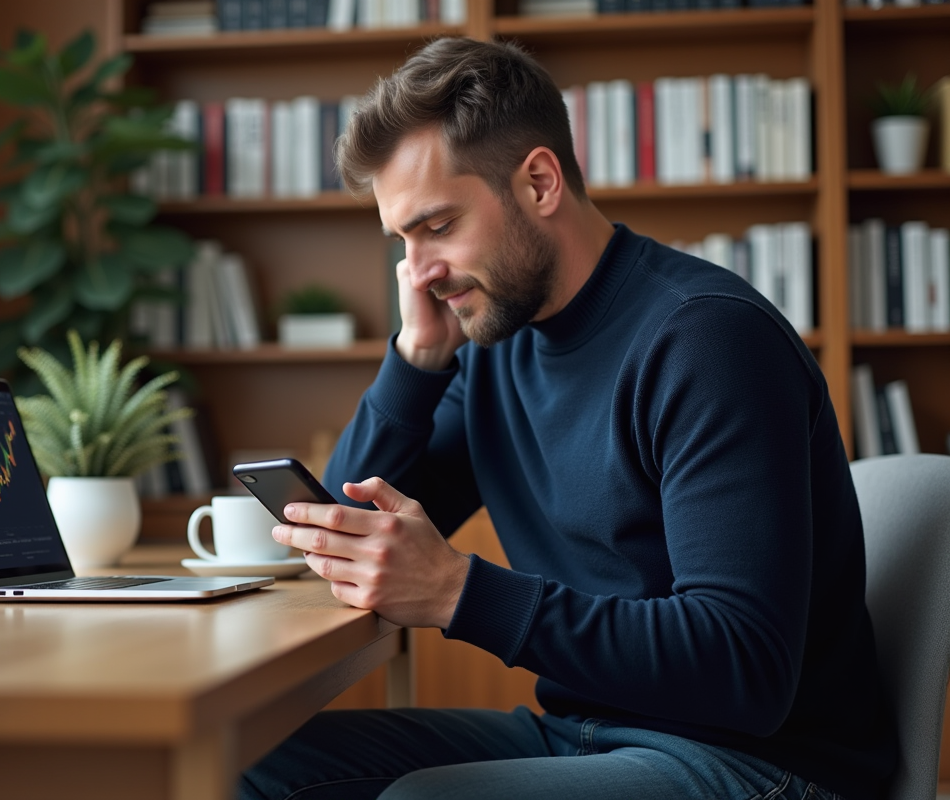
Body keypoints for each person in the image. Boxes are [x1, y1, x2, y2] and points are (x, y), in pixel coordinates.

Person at [239, 37, 896, 800]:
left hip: (760, 762)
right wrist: (415, 360)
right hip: (588, 733)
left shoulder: (707, 341)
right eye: (403, 241)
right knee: (253, 760)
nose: (418, 272)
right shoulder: (494, 346)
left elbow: (744, 669)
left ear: (541, 182)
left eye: (439, 226)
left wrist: (459, 594)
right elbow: (349, 530)